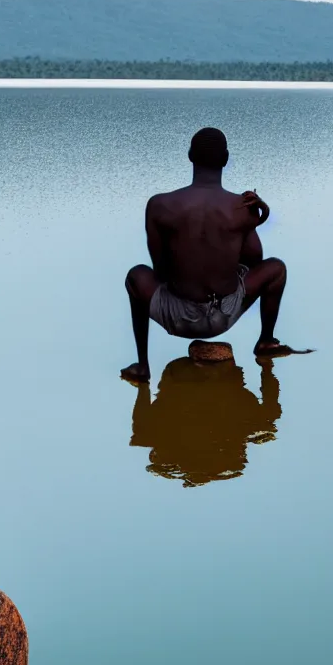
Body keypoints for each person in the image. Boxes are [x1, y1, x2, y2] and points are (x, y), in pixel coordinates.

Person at [121, 127, 302, 383]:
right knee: (277, 269)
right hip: (224, 314)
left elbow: (159, 272)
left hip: (177, 316)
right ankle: (265, 341)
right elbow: (255, 265)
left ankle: (142, 366)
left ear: (189, 156)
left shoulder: (159, 205)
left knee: (135, 276)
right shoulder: (242, 207)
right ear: (226, 160)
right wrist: (252, 221)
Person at [129, 356, 281, 486]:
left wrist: (266, 366)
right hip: (199, 376)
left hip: (192, 376)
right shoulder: (241, 428)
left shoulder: (242, 428)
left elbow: (271, 411)